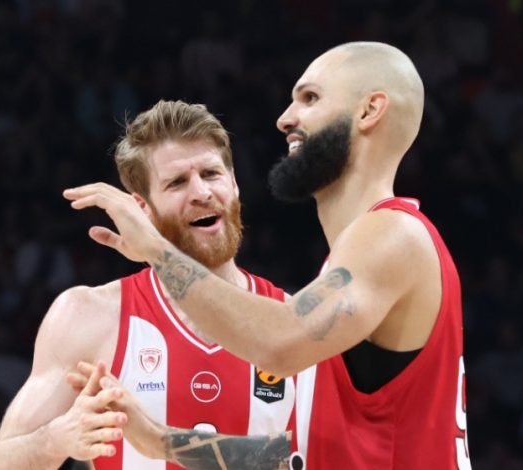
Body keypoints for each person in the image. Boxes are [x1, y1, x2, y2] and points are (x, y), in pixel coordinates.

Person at [64, 42, 471, 469]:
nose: (285, 118)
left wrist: (154, 248)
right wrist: (159, 440)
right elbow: (298, 455)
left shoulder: (393, 235)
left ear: (369, 111)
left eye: (310, 98)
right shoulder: (359, 259)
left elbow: (278, 344)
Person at [0, 101, 295, 470]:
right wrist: (57, 438)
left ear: (234, 184)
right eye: (177, 182)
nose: (201, 192)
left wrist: (158, 440)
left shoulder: (294, 323)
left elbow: (319, 457)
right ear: (141, 208)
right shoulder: (90, 315)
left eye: (211, 174)